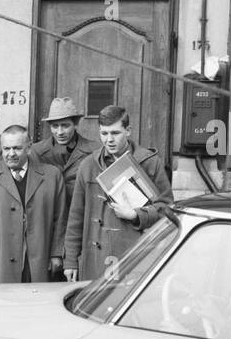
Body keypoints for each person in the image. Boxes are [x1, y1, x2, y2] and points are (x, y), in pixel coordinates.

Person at [65, 105, 173, 283]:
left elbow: (167, 209)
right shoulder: (88, 165)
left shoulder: (149, 162)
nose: (109, 140)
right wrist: (70, 261)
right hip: (96, 258)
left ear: (128, 131)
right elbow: (76, 216)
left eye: (115, 133)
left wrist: (136, 215)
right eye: (104, 133)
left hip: (135, 254)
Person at [0, 125, 67, 284]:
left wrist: (57, 253)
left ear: (29, 148)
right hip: (0, 261)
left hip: (39, 261)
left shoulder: (52, 175)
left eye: (17, 148)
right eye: (6, 149)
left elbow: (61, 218)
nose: (11, 154)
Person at [30, 96, 99, 188]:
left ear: (75, 124)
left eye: (65, 126)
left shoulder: (95, 150)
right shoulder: (36, 151)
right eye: (55, 126)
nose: (60, 132)